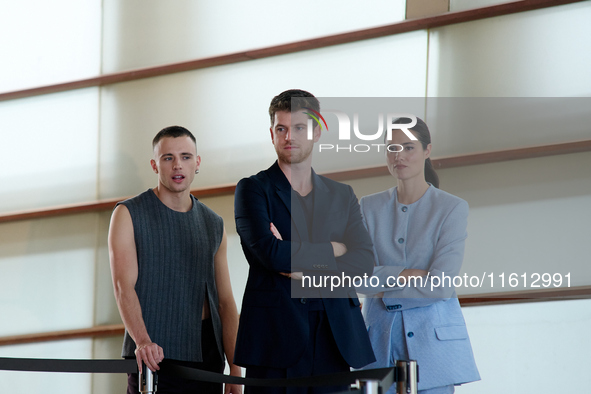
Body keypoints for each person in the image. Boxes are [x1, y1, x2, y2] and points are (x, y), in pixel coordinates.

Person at [233, 89, 376, 394]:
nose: (289, 137)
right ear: (272, 134)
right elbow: (270, 253)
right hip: (275, 337)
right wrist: (334, 251)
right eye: (281, 129)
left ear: (317, 131)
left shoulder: (342, 194)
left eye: (299, 128)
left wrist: (303, 269)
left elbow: (364, 261)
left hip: (335, 334)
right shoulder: (253, 190)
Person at [108, 126, 242, 394]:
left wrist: (235, 370)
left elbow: (226, 303)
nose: (177, 165)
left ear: (197, 163)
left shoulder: (214, 223)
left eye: (186, 156)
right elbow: (124, 287)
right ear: (155, 165)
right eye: (168, 157)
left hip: (207, 357)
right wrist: (143, 342)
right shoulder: (128, 213)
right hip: (153, 356)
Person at [359, 117, 480, 394]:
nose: (399, 155)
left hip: (434, 348)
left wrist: (383, 288)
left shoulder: (451, 208)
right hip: (379, 347)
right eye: (391, 148)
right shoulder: (368, 206)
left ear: (427, 151)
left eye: (408, 147)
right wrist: (408, 275)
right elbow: (356, 278)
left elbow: (440, 285)